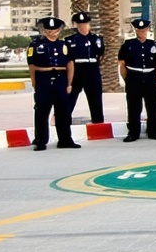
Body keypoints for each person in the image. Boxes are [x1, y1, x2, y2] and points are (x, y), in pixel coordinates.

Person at [26, 16, 78, 150]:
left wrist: (69, 83)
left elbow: (70, 64)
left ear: (59, 31)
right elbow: (31, 66)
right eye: (49, 30)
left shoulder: (64, 45)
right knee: (41, 111)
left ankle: (65, 140)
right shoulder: (36, 45)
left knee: (63, 112)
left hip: (61, 79)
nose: (52, 33)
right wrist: (34, 82)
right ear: (44, 31)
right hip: (43, 78)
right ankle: (40, 140)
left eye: (55, 30)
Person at [118, 18, 156, 142]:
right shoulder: (128, 45)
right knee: (134, 107)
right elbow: (122, 64)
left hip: (150, 77)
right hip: (134, 77)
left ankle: (154, 131)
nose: (141, 33)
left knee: (153, 106)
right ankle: (133, 133)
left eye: (144, 30)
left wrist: (155, 75)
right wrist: (127, 79)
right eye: (139, 30)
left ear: (148, 30)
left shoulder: (154, 45)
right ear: (136, 31)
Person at [65, 11, 104, 124]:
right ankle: (64, 121)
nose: (83, 25)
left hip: (92, 70)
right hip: (76, 70)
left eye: (85, 23)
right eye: (80, 23)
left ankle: (98, 122)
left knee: (95, 98)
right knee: (70, 97)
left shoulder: (96, 39)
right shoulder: (69, 40)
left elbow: (100, 54)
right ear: (76, 24)